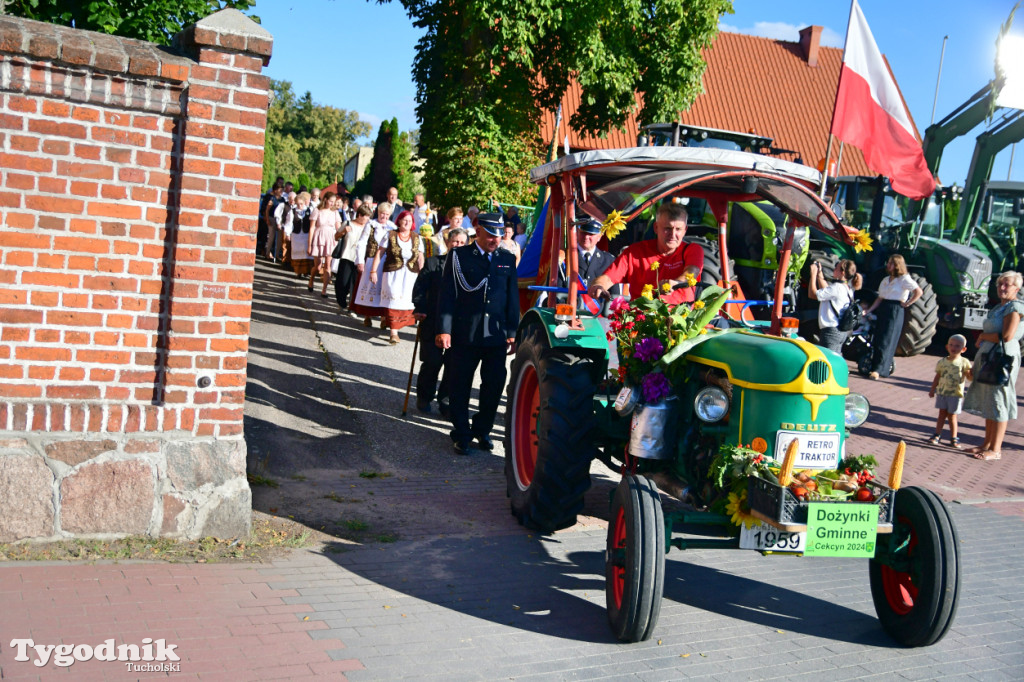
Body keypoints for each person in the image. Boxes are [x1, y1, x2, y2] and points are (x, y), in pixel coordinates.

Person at [437, 213, 520, 455]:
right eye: (491, 234)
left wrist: (512, 331)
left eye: (498, 234)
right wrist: (444, 329)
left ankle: (482, 430)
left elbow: (511, 297)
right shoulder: (459, 256)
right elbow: (447, 295)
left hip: (495, 334)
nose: (496, 239)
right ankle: (462, 433)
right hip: (465, 332)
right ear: (478, 230)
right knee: (459, 384)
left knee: (493, 385)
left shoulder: (506, 258)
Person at [588, 202, 703, 304]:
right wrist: (598, 286)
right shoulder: (634, 252)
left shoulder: (692, 250)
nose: (673, 234)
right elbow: (608, 278)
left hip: (680, 320)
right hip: (642, 320)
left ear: (685, 230)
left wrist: (676, 283)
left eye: (678, 229)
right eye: (667, 228)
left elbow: (691, 273)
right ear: (656, 227)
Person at [963, 271, 1024, 461]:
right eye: (1000, 284)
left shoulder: (1014, 306)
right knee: (989, 400)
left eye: (1007, 285)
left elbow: (1007, 336)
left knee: (999, 401)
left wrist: (982, 336)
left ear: (1017, 288)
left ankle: (996, 449)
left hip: (1002, 358)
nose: (1002, 288)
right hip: (991, 356)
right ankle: (986, 443)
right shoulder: (1000, 306)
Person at [413, 227, 469, 415]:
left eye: (462, 242)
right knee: (432, 362)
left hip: (458, 325)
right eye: (455, 241)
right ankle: (424, 395)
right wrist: (419, 308)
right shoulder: (433, 263)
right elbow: (420, 288)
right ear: (447, 243)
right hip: (433, 321)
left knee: (453, 366)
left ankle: (446, 401)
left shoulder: (470, 269)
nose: (458, 245)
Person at [862, 254, 923, 379]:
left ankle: (878, 370)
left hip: (895, 309)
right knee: (878, 337)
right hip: (884, 307)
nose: (888, 265)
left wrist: (908, 303)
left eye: (891, 263)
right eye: (888, 263)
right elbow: (880, 298)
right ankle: (875, 366)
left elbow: (918, 291)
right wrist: (869, 310)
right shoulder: (886, 279)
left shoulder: (904, 279)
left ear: (897, 265)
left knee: (887, 339)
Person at [369, 210, 424, 344]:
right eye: (404, 220)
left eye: (410, 221)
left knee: (406, 301)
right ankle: (394, 332)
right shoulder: (390, 235)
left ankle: (391, 324)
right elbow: (379, 253)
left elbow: (420, 257)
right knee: (392, 298)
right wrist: (373, 271)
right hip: (392, 273)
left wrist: (422, 273)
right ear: (399, 221)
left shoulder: (417, 237)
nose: (407, 222)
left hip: (410, 274)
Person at [350, 201, 395, 326]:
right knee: (370, 287)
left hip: (385, 263)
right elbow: (362, 243)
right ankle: (367, 316)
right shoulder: (371, 225)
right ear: (378, 213)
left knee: (384, 288)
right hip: (370, 261)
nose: (384, 217)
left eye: (386, 215)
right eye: (382, 214)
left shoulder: (392, 227)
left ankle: (383, 318)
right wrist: (360, 261)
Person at [927, 334, 972, 450]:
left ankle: (954, 437)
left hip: (955, 394)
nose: (954, 347)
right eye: (951, 345)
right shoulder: (942, 362)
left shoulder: (964, 362)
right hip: (942, 392)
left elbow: (969, 377)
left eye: (957, 346)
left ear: (963, 349)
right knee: (941, 414)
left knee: (952, 416)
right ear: (947, 347)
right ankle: (937, 434)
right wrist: (933, 390)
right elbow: (938, 376)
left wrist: (972, 374)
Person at [808, 259, 861, 354]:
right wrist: (819, 274)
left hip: (831, 332)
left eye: (836, 267)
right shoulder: (847, 288)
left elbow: (812, 294)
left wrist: (812, 274)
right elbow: (826, 291)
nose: (834, 268)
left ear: (843, 272)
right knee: (835, 359)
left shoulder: (836, 287)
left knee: (827, 361)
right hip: (840, 331)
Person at [334, 203, 371, 312]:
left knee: (355, 285)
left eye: (369, 216)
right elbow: (336, 237)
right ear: (359, 215)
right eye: (366, 216)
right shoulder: (348, 223)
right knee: (342, 283)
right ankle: (341, 303)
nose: (368, 219)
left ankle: (352, 308)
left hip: (359, 259)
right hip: (347, 256)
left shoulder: (368, 227)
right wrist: (344, 231)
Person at [307, 191, 338, 298]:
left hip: (330, 239)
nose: (332, 204)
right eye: (331, 201)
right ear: (325, 200)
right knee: (318, 265)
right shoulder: (317, 210)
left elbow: (338, 227)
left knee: (328, 265)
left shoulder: (335, 212)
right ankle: (311, 280)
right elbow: (311, 228)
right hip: (319, 237)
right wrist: (309, 245)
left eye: (334, 202)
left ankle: (324, 290)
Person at [290, 192, 314, 277]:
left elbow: (312, 222)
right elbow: (289, 223)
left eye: (301, 203)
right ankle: (298, 272)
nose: (300, 205)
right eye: (298, 204)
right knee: (298, 254)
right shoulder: (292, 211)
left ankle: (306, 271)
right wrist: (287, 233)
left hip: (306, 235)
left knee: (306, 253)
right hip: (296, 236)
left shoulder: (309, 210)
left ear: (304, 203)